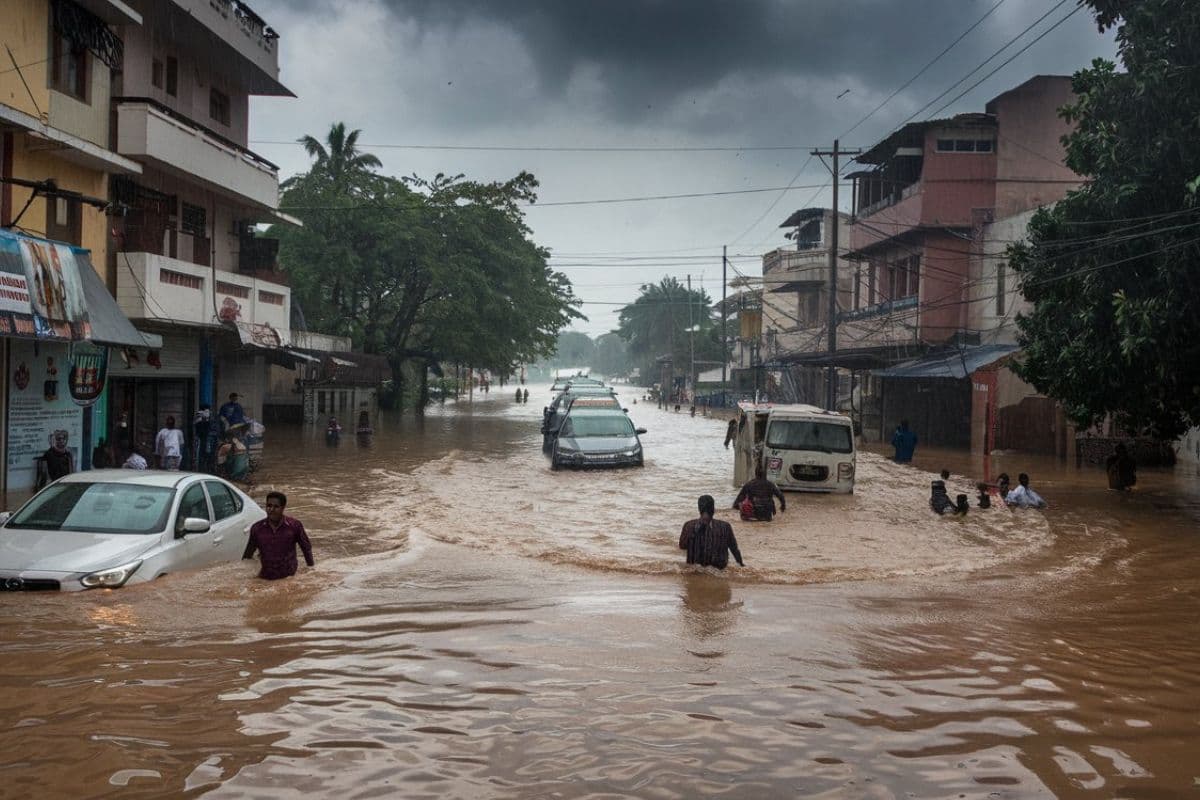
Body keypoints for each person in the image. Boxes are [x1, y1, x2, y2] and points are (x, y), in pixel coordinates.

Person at [242, 491, 314, 580]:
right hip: (265, 578)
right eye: (269, 506)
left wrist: (311, 572)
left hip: (289, 578)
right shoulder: (257, 528)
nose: (271, 509)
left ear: (283, 508)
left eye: (276, 507)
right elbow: (247, 556)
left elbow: (306, 549)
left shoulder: (294, 526)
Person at [678, 494, 744, 570]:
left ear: (699, 509)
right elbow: (734, 549)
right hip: (719, 571)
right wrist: (741, 565)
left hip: (694, 571)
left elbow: (682, 546)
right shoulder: (725, 527)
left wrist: (694, 534)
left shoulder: (688, 525)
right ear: (713, 509)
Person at [192, 405, 213, 472]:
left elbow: (209, 427)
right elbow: (197, 426)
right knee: (199, 456)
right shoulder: (198, 417)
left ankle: (205, 468)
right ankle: (199, 468)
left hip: (205, 439)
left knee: (206, 455)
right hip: (200, 439)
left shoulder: (208, 420)